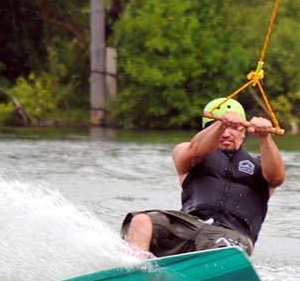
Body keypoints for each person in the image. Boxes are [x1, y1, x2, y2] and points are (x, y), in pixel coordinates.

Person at [122, 97, 286, 256]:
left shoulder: (262, 165)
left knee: (222, 249)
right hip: (189, 224)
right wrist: (221, 123)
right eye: (219, 127)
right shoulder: (188, 152)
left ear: (244, 133)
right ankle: (135, 272)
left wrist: (265, 137)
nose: (227, 133)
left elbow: (276, 178)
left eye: (235, 128)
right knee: (141, 221)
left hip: (232, 234)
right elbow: (195, 151)